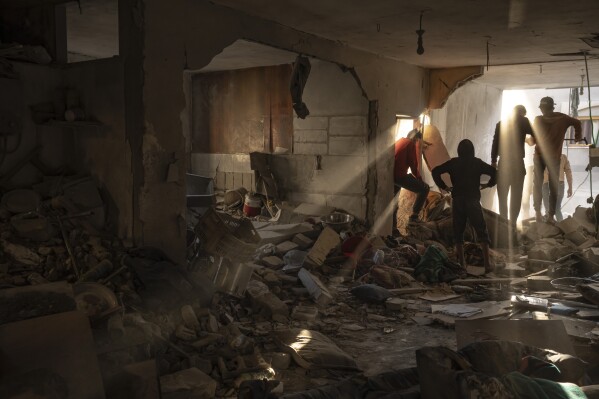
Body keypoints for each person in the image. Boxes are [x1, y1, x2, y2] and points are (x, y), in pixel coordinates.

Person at [432, 139, 497, 272]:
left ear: (459, 151)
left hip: (458, 200)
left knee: (458, 232)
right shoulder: (477, 163)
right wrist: (488, 184)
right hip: (473, 200)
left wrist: (444, 187)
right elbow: (494, 172)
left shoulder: (453, 163)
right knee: (482, 232)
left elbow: (435, 171)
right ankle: (487, 264)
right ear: (472, 150)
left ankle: (462, 264)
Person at [532, 96, 582, 224]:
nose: (543, 111)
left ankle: (538, 213)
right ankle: (550, 216)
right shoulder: (562, 118)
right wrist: (577, 137)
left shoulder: (538, 120)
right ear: (552, 107)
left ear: (543, 108)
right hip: (553, 157)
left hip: (539, 156)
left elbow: (533, 139)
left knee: (537, 184)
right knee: (553, 186)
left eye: (543, 108)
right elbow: (578, 123)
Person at [491, 105, 534, 225]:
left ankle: (504, 222)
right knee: (516, 196)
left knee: (502, 196)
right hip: (517, 164)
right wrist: (527, 140)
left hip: (503, 163)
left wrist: (493, 161)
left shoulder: (501, 124)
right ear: (522, 113)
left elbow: (495, 143)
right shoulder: (523, 121)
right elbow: (535, 134)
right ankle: (513, 224)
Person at [393, 129, 430, 229]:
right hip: (400, 176)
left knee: (393, 204)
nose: (418, 144)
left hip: (392, 176)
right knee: (425, 188)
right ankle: (414, 217)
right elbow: (413, 164)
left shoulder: (400, 141)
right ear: (415, 138)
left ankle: (392, 229)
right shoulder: (410, 144)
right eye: (418, 141)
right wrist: (420, 179)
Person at [542, 153, 573, 222]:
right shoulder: (563, 157)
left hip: (547, 184)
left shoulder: (544, 155)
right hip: (557, 184)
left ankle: (551, 229)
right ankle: (561, 227)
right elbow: (568, 172)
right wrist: (570, 187)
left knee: (548, 209)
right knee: (557, 209)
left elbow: (537, 172)